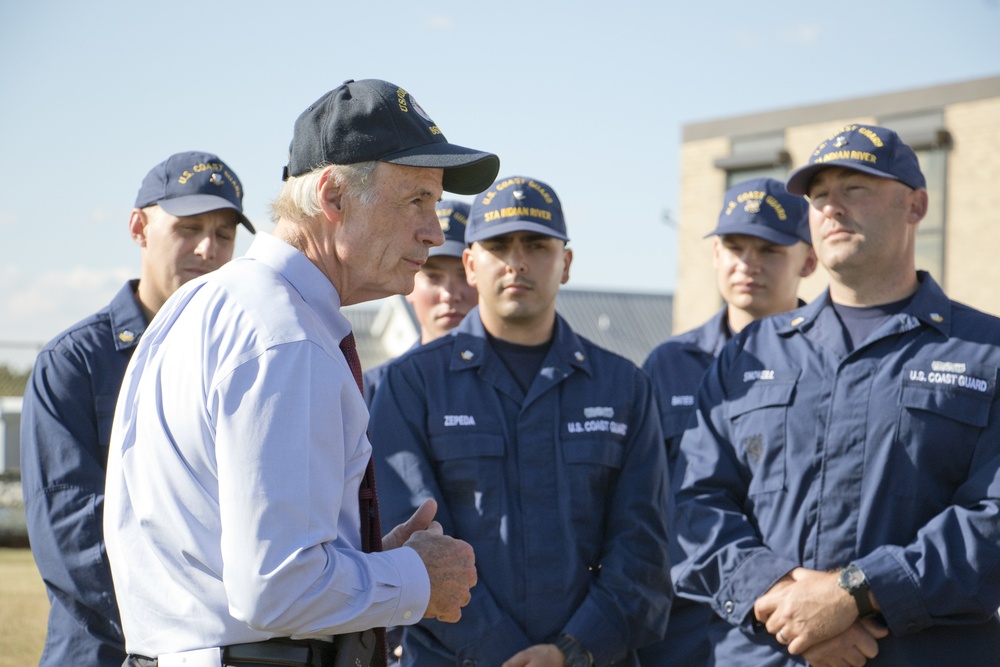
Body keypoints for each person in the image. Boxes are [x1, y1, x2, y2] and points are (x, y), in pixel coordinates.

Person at [102, 79, 499, 667]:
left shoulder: (213, 304)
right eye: (416, 199)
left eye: (434, 204)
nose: (434, 230)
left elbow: (233, 562)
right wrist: (415, 577)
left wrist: (363, 562)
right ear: (333, 195)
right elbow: (276, 587)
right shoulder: (284, 335)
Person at [671, 124, 1000, 666]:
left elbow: (990, 518)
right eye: (819, 195)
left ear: (916, 205)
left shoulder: (982, 352)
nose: (831, 208)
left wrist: (854, 594)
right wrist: (779, 594)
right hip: (769, 650)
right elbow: (693, 502)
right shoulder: (752, 354)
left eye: (856, 189)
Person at [369, 175, 672, 667]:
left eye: (536, 244)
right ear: (470, 263)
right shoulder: (412, 386)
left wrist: (569, 652)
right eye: (499, 245)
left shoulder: (623, 387)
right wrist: (501, 654)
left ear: (566, 264)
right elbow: (415, 543)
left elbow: (643, 551)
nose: (517, 262)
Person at [19, 150, 253, 667]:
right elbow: (72, 536)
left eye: (225, 234)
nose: (208, 249)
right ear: (138, 228)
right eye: (188, 228)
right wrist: (201, 616)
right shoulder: (73, 364)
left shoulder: (241, 361)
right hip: (104, 652)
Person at [639, 177, 816, 666]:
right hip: (680, 629)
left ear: (809, 259)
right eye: (734, 246)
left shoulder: (829, 365)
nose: (748, 264)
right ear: (715, 253)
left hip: (787, 629)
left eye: (769, 249)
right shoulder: (667, 363)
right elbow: (642, 501)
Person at [362, 200, 477, 407]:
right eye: (433, 276)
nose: (449, 295)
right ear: (409, 285)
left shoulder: (519, 382)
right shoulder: (373, 390)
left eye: (465, 276)